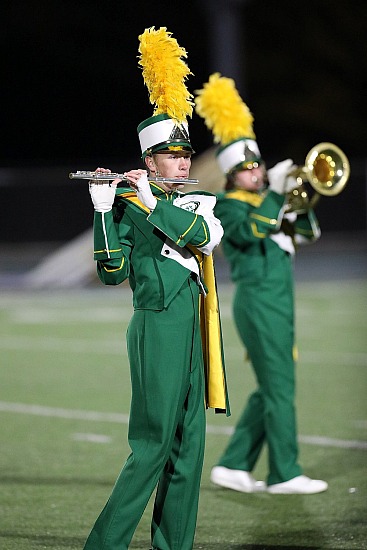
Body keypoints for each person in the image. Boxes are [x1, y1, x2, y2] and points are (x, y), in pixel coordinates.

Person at [83, 31, 229, 550]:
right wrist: (104, 211)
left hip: (194, 326)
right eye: (170, 156)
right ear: (149, 161)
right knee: (150, 447)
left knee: (189, 450)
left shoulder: (199, 202)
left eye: (185, 154)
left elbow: (200, 238)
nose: (183, 162)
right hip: (156, 326)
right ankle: (104, 544)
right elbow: (110, 272)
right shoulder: (127, 204)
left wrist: (151, 199)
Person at [195, 73, 328, 495]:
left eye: (259, 166)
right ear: (232, 175)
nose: (256, 173)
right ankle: (284, 473)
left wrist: (300, 196)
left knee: (272, 384)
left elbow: (307, 232)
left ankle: (233, 465)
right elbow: (257, 228)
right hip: (257, 303)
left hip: (280, 302)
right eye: (248, 169)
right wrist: (275, 193)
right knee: (280, 386)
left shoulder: (265, 199)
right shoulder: (228, 206)